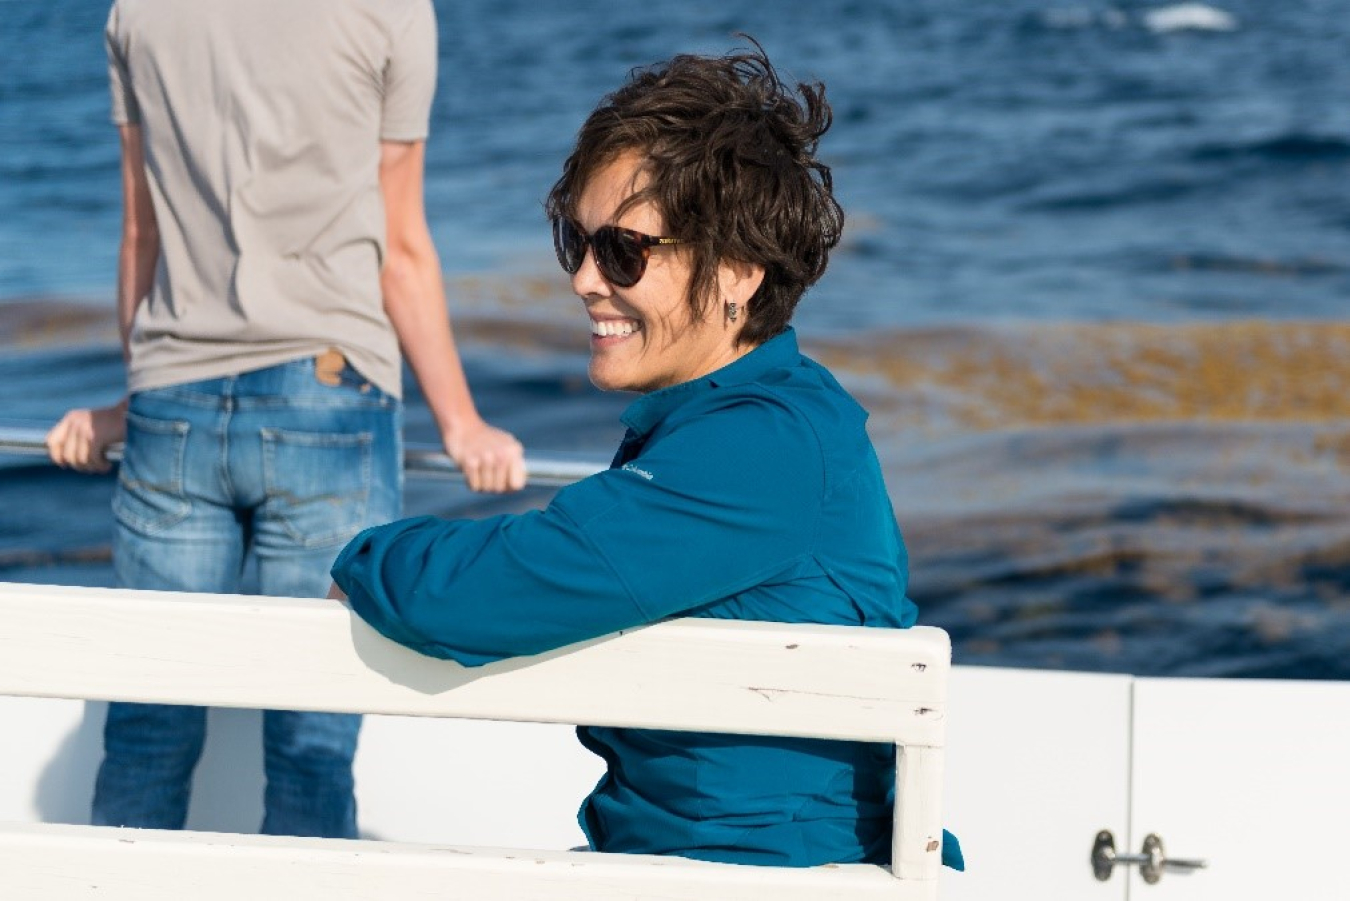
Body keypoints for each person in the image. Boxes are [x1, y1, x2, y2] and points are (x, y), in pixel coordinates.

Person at [329, 41, 961, 869]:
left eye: (624, 250)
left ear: (739, 270)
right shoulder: (738, 426)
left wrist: (356, 550)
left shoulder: (762, 446)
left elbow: (489, 589)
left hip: (760, 874)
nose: (585, 278)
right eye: (575, 241)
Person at [44, 0, 525, 838]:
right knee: (310, 741)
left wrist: (135, 397)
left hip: (173, 409)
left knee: (149, 732)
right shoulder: (391, 12)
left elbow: (139, 233)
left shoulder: (139, 13)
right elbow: (401, 245)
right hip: (329, 401)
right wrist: (462, 422)